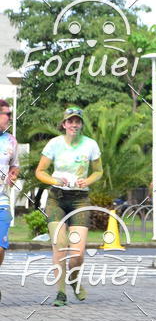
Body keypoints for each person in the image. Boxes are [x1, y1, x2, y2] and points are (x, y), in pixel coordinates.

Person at [35, 107, 103, 306]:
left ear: (81, 124)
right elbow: (40, 171)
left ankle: (73, 279)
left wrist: (87, 181)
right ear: (64, 124)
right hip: (56, 198)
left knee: (77, 254)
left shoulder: (90, 145)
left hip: (80, 200)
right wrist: (54, 180)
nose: (74, 124)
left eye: (77, 121)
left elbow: (98, 171)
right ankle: (61, 292)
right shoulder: (54, 144)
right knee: (60, 245)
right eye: (70, 121)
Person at [0, 100, 20, 302]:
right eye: (7, 114)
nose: (10, 118)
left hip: (1, 201)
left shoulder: (11, 141)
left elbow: (15, 166)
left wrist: (13, 175)